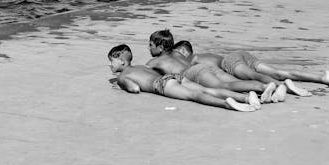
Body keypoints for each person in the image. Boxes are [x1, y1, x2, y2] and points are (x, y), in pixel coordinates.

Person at [108, 44, 260, 112]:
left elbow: (134, 89)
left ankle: (226, 104)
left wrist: (122, 85)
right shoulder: (140, 66)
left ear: (122, 61)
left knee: (194, 95)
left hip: (161, 84)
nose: (110, 65)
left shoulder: (123, 76)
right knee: (208, 90)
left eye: (111, 61)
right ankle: (245, 98)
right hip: (172, 77)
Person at [145, 31, 282, 103]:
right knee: (233, 82)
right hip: (204, 67)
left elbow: (148, 76)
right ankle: (266, 87)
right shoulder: (177, 54)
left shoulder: (154, 62)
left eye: (151, 45)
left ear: (161, 47)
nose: (148, 48)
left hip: (193, 72)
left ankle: (263, 88)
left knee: (224, 86)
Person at [172, 40, 329, 96]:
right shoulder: (205, 55)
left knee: (254, 76)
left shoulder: (192, 59)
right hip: (239, 56)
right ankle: (321, 77)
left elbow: (185, 72)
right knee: (278, 72)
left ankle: (284, 87)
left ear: (182, 50)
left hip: (230, 63)